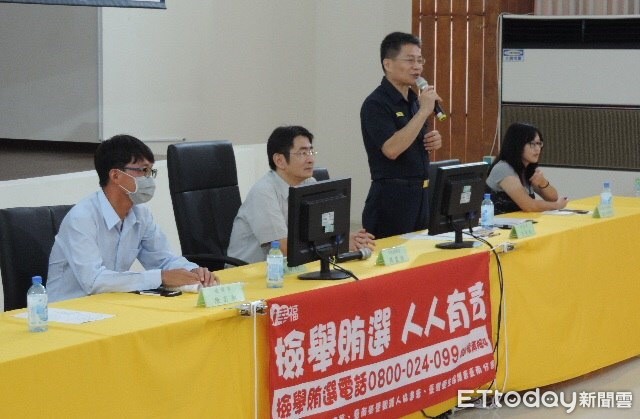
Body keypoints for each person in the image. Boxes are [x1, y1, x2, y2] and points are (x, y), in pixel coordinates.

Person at [47, 134, 219, 302]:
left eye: (151, 171)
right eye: (143, 170)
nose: (149, 179)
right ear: (115, 175)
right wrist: (160, 277)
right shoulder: (82, 218)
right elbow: (94, 281)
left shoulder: (141, 214)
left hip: (110, 304)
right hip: (67, 310)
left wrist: (193, 271)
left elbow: (164, 259)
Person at [227, 125, 375, 264]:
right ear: (279, 160)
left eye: (311, 152)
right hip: (248, 272)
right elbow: (284, 248)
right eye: (303, 153)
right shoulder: (263, 192)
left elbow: (320, 232)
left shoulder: (309, 183)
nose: (311, 159)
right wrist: (338, 245)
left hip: (289, 268)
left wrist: (343, 238)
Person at [361, 31, 443, 239]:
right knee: (393, 256)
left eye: (420, 60)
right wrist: (424, 112)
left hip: (421, 195)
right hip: (391, 200)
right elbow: (391, 149)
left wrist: (432, 140)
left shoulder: (414, 101)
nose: (417, 67)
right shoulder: (376, 103)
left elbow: (411, 140)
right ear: (388, 64)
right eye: (410, 60)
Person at [486, 122, 569, 214]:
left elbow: (553, 198)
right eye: (532, 144)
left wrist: (542, 182)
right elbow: (529, 206)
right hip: (498, 223)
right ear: (517, 145)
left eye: (539, 143)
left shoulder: (527, 169)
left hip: (519, 222)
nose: (538, 149)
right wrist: (557, 206)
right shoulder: (503, 168)